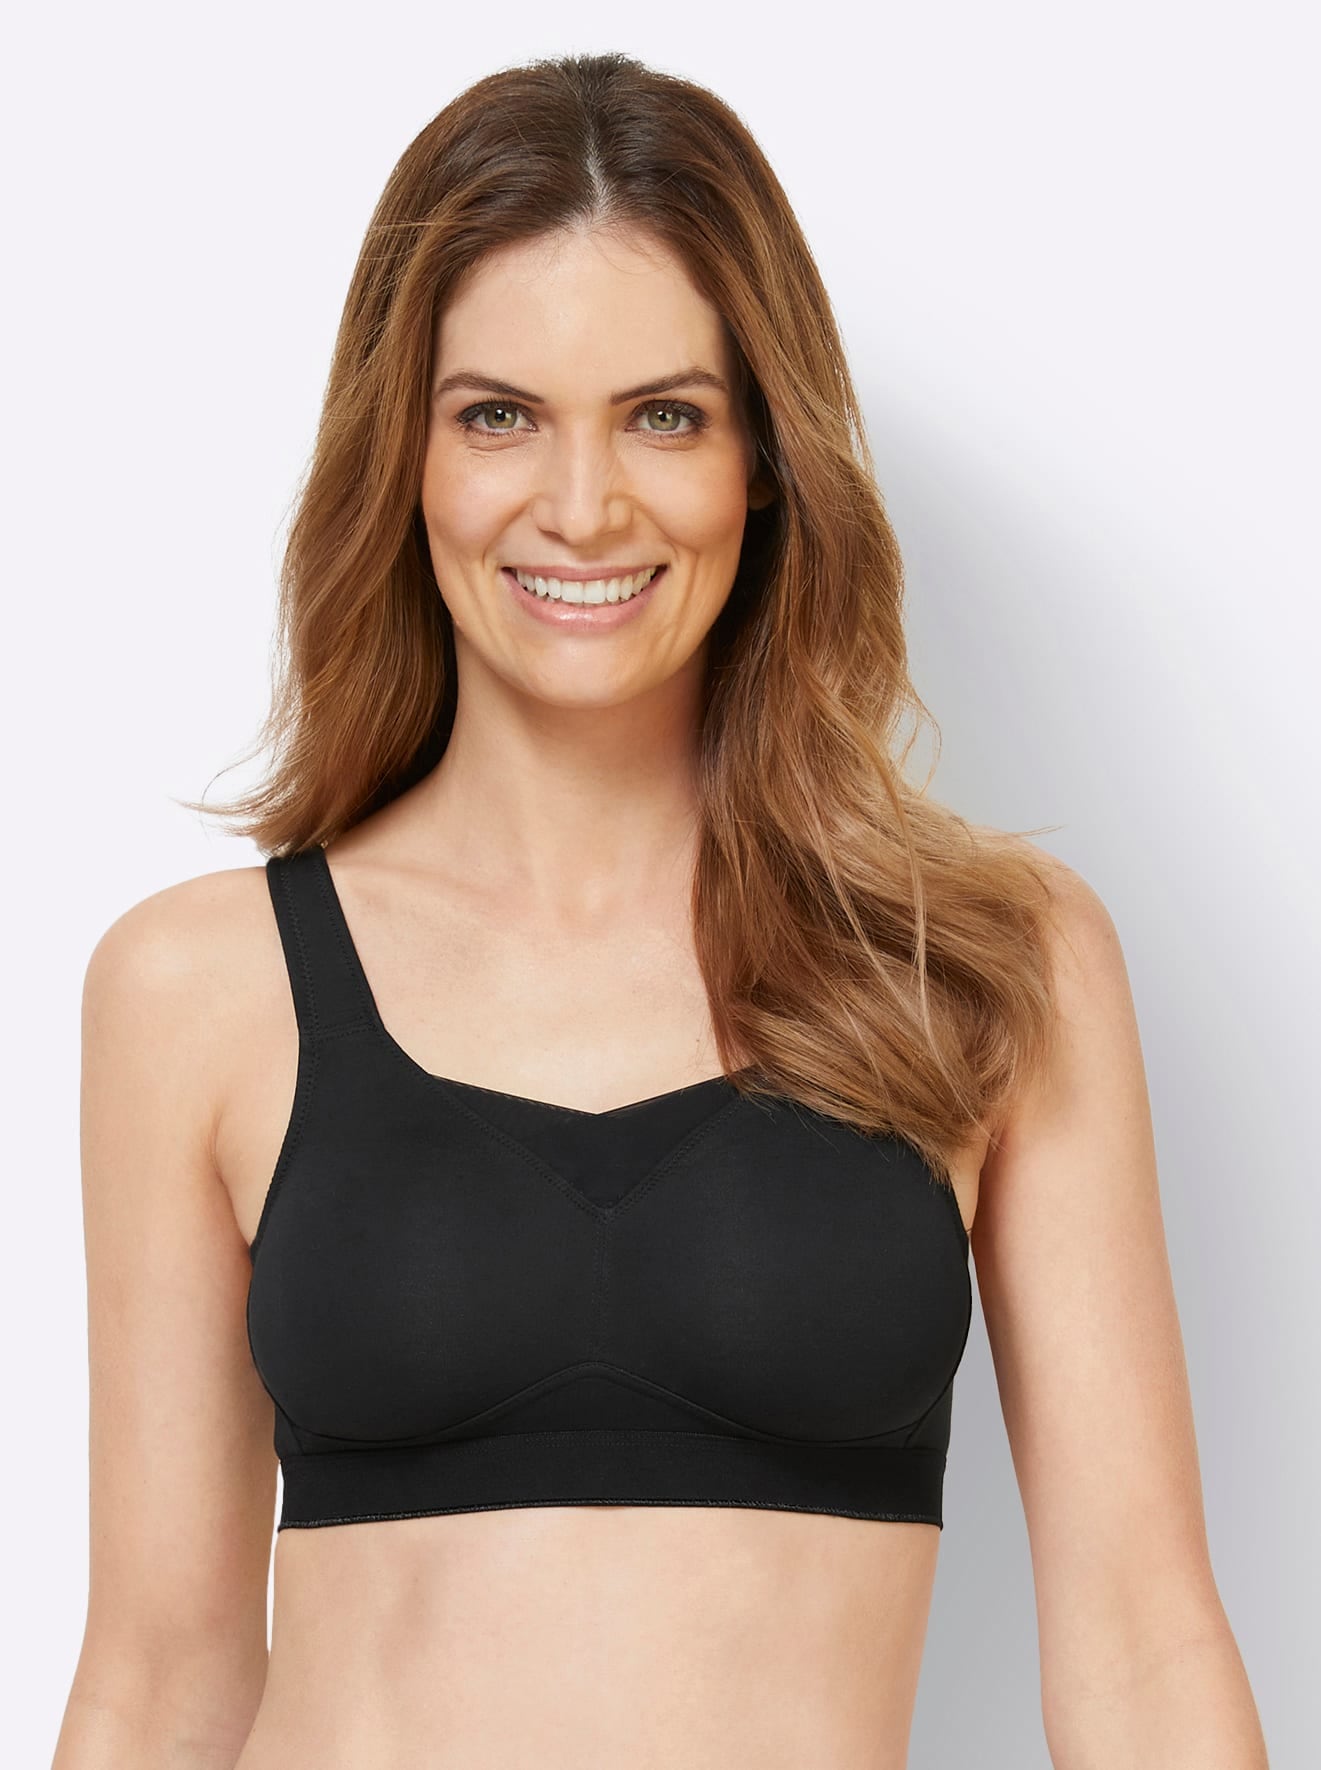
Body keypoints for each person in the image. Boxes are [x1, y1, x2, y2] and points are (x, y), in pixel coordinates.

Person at [53, 50, 1267, 1770]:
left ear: (763, 456)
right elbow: (162, 1671)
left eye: (663, 414)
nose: (581, 506)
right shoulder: (197, 988)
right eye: (498, 415)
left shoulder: (981, 963)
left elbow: (1141, 1638)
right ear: (404, 454)